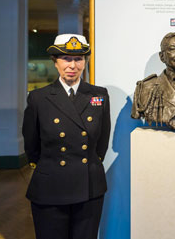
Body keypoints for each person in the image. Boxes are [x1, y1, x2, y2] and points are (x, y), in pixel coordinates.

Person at [22, 34, 111, 239]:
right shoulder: (39, 98)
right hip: (50, 186)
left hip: (89, 186)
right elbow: (31, 144)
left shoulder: (99, 95)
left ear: (85, 62)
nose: (72, 65)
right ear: (55, 62)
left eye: (78, 59)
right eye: (66, 59)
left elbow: (102, 143)